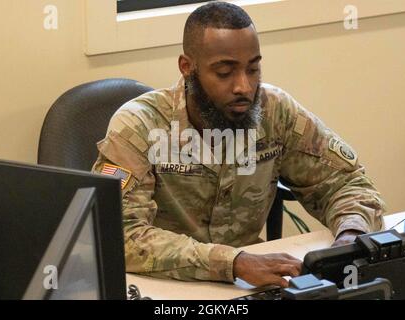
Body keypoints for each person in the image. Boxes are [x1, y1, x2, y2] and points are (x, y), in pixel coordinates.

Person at [92, 2, 385, 288]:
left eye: (253, 69)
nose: (244, 87)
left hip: (250, 286)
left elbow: (348, 183)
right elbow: (121, 234)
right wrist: (233, 262)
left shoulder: (275, 112)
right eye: (224, 72)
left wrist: (350, 235)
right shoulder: (138, 126)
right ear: (187, 67)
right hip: (161, 288)